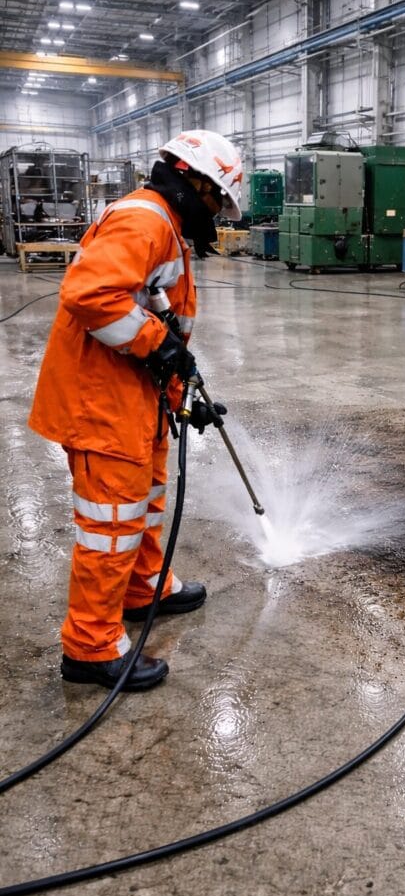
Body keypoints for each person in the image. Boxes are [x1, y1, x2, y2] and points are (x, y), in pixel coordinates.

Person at [28, 130, 243, 690]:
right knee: (112, 525)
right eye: (218, 197)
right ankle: (90, 646)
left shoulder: (164, 225)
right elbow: (92, 296)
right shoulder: (145, 220)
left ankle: (144, 585)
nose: (218, 211)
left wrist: (178, 391)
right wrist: (161, 347)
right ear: (193, 181)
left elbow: (157, 312)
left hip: (133, 397)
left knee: (144, 503)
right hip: (100, 403)